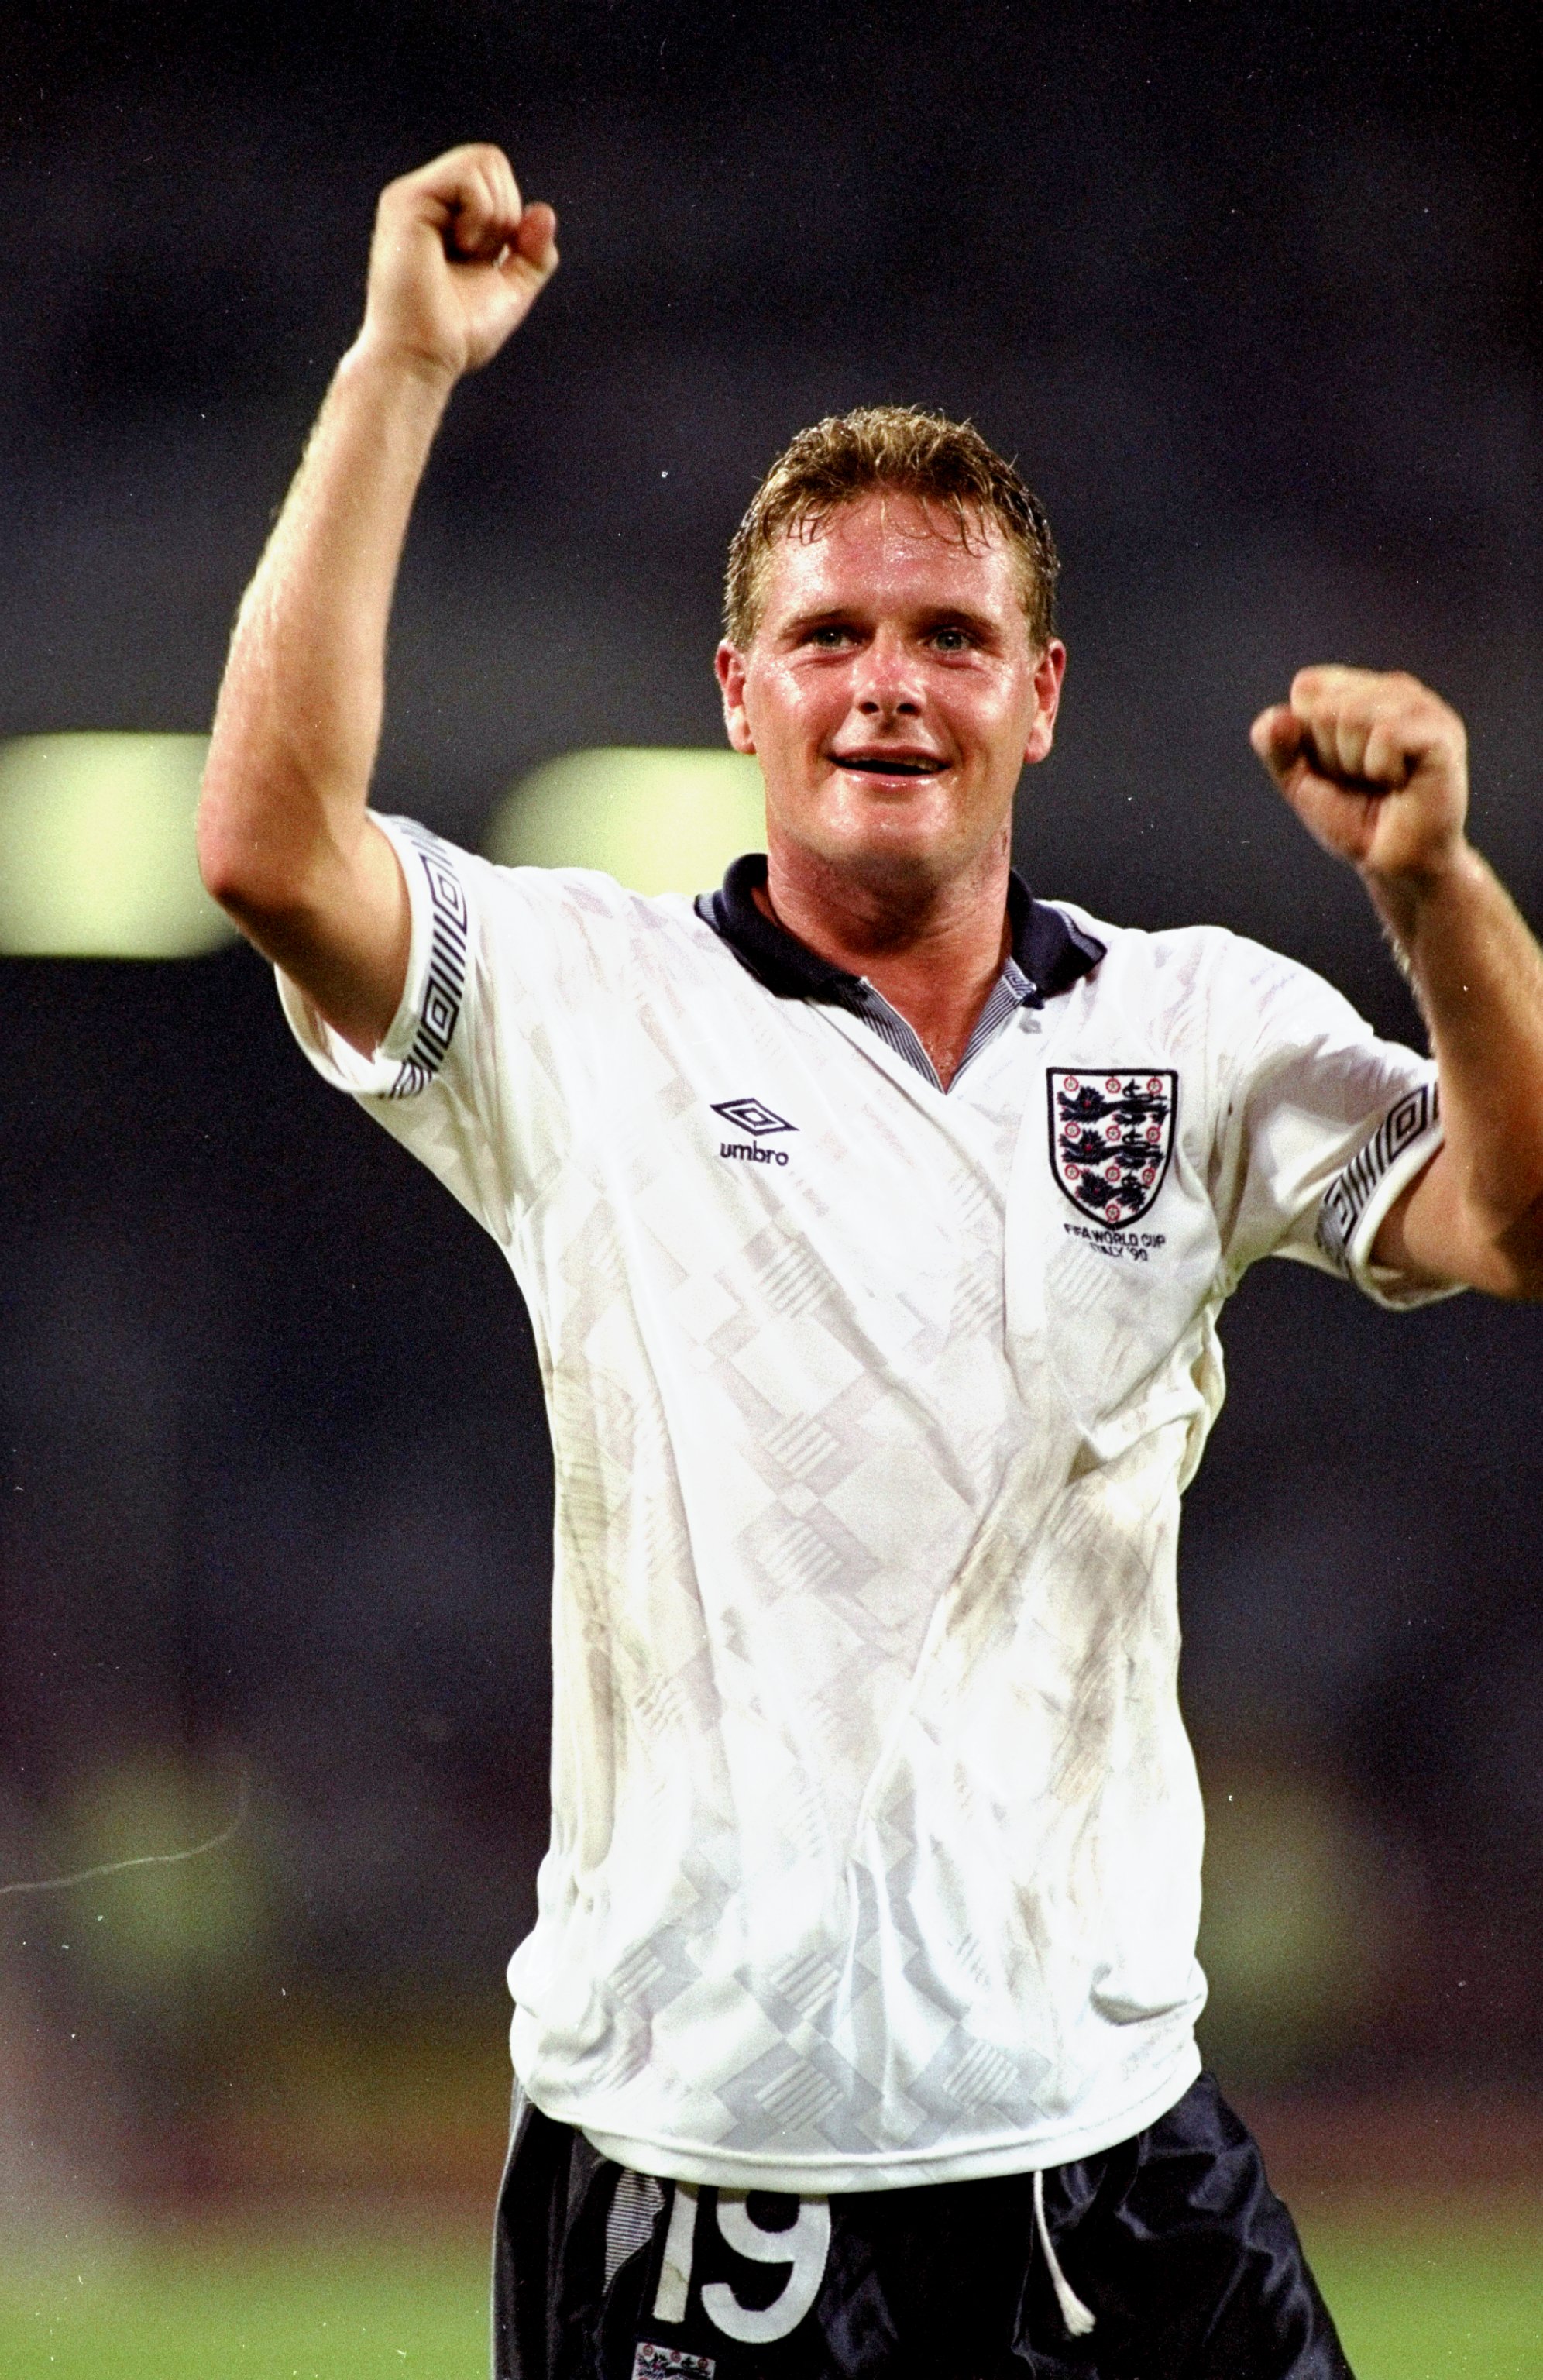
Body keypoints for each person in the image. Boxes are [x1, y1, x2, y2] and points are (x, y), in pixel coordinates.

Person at [198, 144, 1543, 2380]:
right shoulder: (580, 1001)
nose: (887, 686)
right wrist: (401, 365)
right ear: (741, 693)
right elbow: (263, 844)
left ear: (1043, 697)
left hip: (1108, 2140)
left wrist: (1432, 894)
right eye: (829, 636)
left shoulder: (1193, 1029)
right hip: (706, 2165)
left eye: (951, 638)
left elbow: (1514, 1215)